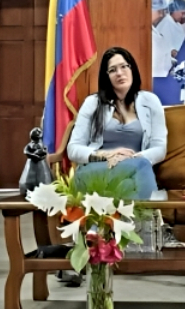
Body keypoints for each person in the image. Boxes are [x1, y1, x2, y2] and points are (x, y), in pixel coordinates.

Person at [67, 47, 167, 200]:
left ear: (132, 68)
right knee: (140, 171)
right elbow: (73, 149)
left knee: (133, 178)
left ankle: (108, 223)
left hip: (134, 170)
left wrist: (131, 158)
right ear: (106, 76)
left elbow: (159, 148)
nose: (119, 73)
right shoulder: (92, 103)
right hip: (96, 170)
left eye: (123, 66)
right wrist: (105, 155)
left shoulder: (151, 101)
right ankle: (149, 220)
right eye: (113, 70)